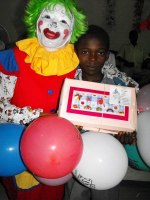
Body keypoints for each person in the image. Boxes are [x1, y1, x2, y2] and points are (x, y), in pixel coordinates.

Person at [0, 0, 87, 199]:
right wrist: (38, 116)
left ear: (72, 30)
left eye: (63, 20)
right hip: (18, 147)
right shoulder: (13, 59)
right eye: (47, 17)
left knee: (53, 193)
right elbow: (0, 107)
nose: (53, 25)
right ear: (36, 20)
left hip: (59, 151)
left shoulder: (78, 63)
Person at [63, 25, 138, 200]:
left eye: (100, 52)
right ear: (76, 52)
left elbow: (128, 121)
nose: (93, 59)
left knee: (106, 194)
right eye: (85, 52)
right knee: (75, 194)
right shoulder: (68, 83)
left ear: (107, 55)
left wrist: (127, 132)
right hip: (75, 155)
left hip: (108, 158)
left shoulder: (118, 85)